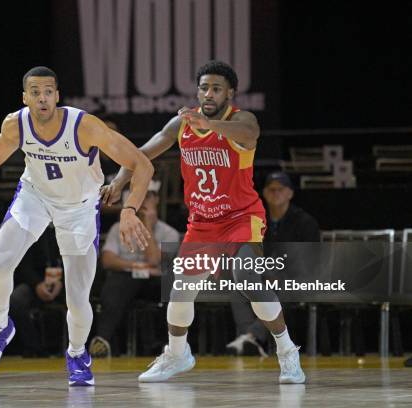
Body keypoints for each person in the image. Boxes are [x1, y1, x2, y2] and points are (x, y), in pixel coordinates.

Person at [0, 66, 154, 386]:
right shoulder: (15, 123)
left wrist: (129, 210)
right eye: (35, 92)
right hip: (35, 197)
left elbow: (141, 163)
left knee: (77, 299)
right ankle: (0, 328)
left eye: (48, 92)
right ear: (25, 97)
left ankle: (76, 353)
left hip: (79, 208)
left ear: (57, 96)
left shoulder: (83, 126)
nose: (42, 98)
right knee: (0, 265)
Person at [101, 61, 306, 383]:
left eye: (216, 88)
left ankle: (286, 350)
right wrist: (118, 182)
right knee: (181, 290)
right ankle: (177, 354)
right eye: (204, 88)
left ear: (230, 93)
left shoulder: (241, 120)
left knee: (247, 275)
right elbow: (142, 154)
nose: (208, 94)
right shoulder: (181, 124)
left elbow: (250, 133)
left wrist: (210, 125)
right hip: (203, 221)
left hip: (241, 216)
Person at [227, 171, 321, 356]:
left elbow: (311, 260)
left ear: (290, 193)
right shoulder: (257, 221)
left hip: (297, 278)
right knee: (237, 286)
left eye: (281, 189)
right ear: (264, 193)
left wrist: (279, 273)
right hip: (265, 276)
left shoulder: (305, 222)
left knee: (281, 289)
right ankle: (250, 341)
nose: (276, 193)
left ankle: (251, 338)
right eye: (271, 189)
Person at [89, 180, 180, 357]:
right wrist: (135, 266)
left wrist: (146, 226)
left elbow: (154, 260)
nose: (144, 202)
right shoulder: (117, 229)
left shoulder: (170, 233)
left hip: (154, 283)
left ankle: (168, 345)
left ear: (156, 200)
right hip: (126, 279)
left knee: (169, 287)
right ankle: (102, 341)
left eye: (149, 197)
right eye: (141, 197)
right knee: (115, 283)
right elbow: (108, 260)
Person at [9, 224, 64, 357]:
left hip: (64, 283)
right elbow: (24, 265)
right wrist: (37, 284)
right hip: (36, 282)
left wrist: (61, 282)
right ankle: (34, 347)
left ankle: (75, 348)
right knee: (16, 299)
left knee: (81, 295)